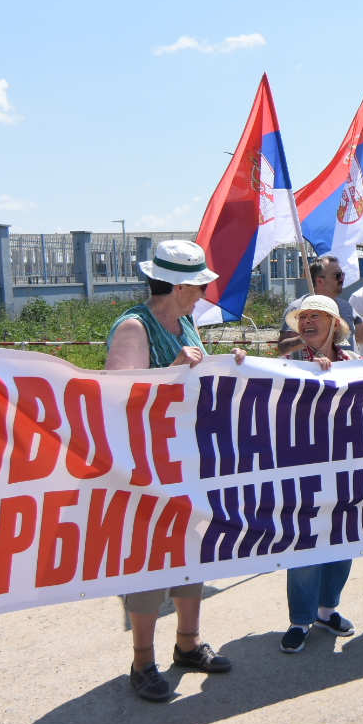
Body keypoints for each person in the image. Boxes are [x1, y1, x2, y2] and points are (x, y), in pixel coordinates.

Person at [106, 241, 232, 700]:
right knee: (149, 563)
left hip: (186, 462)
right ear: (178, 286)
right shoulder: (134, 328)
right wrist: (177, 368)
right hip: (148, 470)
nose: (202, 294)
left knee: (190, 554)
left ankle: (188, 643)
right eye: (198, 286)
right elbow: (119, 399)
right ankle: (142, 661)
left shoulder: (183, 322)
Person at [269, 295, 363, 649]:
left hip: (347, 472)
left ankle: (327, 610)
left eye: (317, 316)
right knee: (305, 547)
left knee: (342, 543)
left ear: (335, 325)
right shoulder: (288, 362)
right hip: (303, 472)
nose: (309, 322)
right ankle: (300, 619)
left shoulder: (355, 362)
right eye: (304, 317)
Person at [276, 254, 353, 355]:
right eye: (337, 275)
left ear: (336, 324)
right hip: (308, 369)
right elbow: (283, 349)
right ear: (320, 280)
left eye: (342, 275)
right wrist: (306, 338)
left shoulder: (345, 306)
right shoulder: (298, 307)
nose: (342, 279)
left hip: (345, 368)